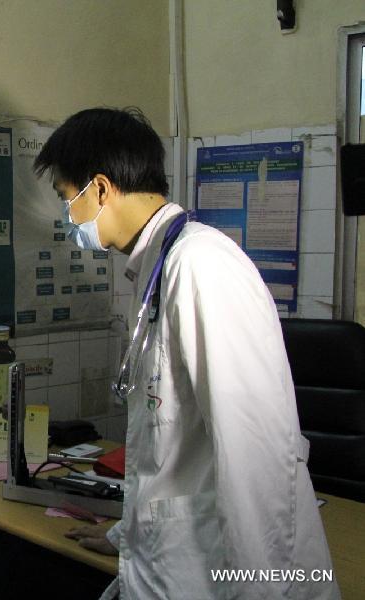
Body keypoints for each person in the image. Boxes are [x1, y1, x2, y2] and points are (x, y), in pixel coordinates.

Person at [34, 108, 339, 599]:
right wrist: (124, 534)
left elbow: (253, 457)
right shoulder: (157, 266)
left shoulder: (202, 266)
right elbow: (172, 450)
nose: (68, 217)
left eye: (68, 200)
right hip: (177, 558)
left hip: (226, 571)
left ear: (101, 189)